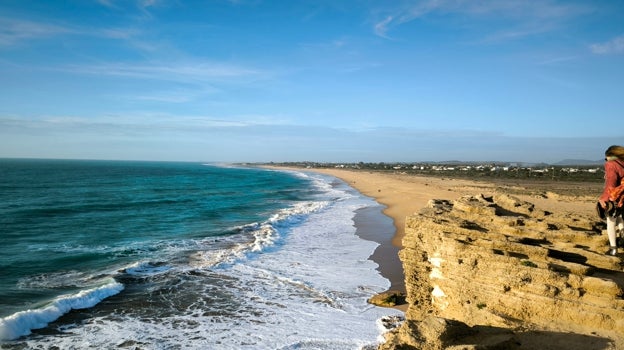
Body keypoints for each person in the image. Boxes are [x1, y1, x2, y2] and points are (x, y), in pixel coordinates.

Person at [599, 145, 624, 255]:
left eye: (606, 158)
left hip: (616, 197)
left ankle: (613, 249)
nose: (606, 160)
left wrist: (604, 198)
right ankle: (622, 233)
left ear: (610, 156)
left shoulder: (611, 164)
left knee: (611, 221)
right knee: (621, 217)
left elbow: (611, 184)